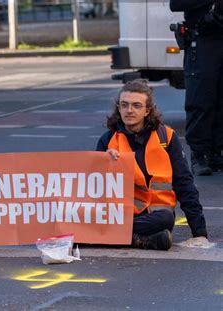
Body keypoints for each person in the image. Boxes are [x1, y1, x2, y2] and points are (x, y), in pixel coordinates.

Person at [96, 79, 209, 250]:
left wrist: (199, 232)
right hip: (118, 214)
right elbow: (94, 188)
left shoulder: (166, 137)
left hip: (154, 217)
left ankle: (107, 235)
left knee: (166, 219)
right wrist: (104, 163)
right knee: (84, 217)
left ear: (147, 111)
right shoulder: (107, 140)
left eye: (136, 106)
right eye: (124, 105)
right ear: (118, 108)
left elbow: (184, 183)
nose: (129, 110)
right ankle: (139, 239)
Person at [169, 0, 223, 175]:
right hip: (202, 40)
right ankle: (198, 154)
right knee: (201, 98)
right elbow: (176, 3)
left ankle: (216, 153)